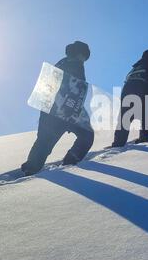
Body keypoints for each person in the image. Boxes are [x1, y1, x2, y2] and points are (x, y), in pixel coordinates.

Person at [21, 41, 94, 176]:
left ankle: (31, 169)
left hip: (49, 108)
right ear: (80, 54)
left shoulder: (60, 63)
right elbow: (74, 91)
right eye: (84, 56)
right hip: (65, 110)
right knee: (87, 135)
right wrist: (75, 109)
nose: (84, 60)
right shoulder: (76, 65)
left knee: (44, 141)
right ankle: (70, 162)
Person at [111, 50, 148, 147]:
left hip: (126, 94)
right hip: (141, 93)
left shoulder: (134, 68)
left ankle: (118, 143)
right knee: (147, 116)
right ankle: (144, 139)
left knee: (124, 119)